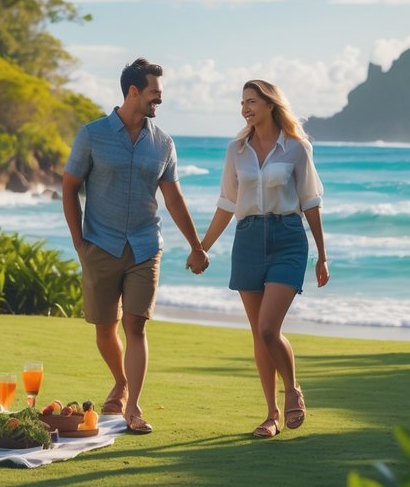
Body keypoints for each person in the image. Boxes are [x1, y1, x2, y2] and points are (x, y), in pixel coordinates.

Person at [62, 57, 209, 435]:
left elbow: (173, 198)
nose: (159, 100)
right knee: (104, 326)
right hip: (100, 244)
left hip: (146, 245)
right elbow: (70, 187)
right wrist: (79, 243)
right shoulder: (92, 134)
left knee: (136, 325)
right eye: (154, 93)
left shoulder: (163, 143)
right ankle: (121, 380)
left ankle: (133, 407)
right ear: (133, 91)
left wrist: (196, 244)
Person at [193, 79, 329, 438]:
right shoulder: (236, 150)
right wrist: (202, 246)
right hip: (248, 239)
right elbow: (226, 203)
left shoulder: (297, 148)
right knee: (258, 334)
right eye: (242, 103)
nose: (245, 108)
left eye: (252, 101)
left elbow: (311, 202)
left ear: (270, 104)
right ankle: (271, 415)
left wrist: (322, 256)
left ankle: (293, 390)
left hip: (288, 239)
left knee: (269, 329)